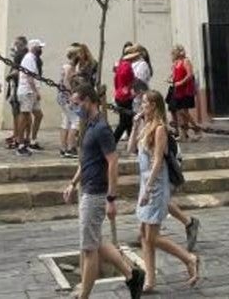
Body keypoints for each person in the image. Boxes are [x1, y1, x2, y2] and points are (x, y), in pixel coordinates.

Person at [62, 83, 145, 299]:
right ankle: (131, 275)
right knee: (96, 241)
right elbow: (86, 161)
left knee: (89, 249)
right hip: (87, 188)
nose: (75, 107)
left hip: (96, 194)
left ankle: (84, 294)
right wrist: (73, 183)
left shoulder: (101, 129)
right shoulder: (89, 126)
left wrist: (111, 198)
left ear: (88, 101)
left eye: (77, 103)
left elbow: (113, 162)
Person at [134, 90, 199, 292]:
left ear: (153, 105)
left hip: (155, 185)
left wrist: (148, 189)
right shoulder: (145, 127)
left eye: (144, 103)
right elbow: (130, 149)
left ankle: (189, 259)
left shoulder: (160, 129)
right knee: (144, 234)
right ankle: (150, 280)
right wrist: (135, 124)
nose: (141, 106)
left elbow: (158, 162)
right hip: (145, 183)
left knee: (152, 237)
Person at [15, 39, 45, 156]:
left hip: (31, 92)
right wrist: (36, 91)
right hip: (27, 91)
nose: (41, 49)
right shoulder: (29, 59)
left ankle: (33, 140)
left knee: (38, 115)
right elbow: (29, 77)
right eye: (39, 47)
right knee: (24, 115)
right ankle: (20, 144)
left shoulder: (33, 58)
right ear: (34, 48)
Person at [168, 45, 200, 142]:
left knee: (183, 111)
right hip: (178, 90)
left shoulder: (185, 61)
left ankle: (195, 128)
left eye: (174, 53)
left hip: (185, 89)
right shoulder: (175, 63)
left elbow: (189, 74)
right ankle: (184, 134)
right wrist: (170, 79)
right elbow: (174, 75)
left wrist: (181, 82)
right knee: (179, 112)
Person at [5, 36, 28, 149]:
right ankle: (17, 135)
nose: (15, 46)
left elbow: (18, 71)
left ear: (22, 44)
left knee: (17, 113)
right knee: (18, 113)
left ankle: (18, 136)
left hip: (17, 87)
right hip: (18, 87)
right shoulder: (23, 55)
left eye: (17, 43)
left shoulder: (20, 55)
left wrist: (8, 76)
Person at [112, 42, 136, 143]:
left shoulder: (120, 64)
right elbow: (131, 81)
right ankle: (113, 141)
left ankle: (132, 142)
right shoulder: (127, 67)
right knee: (124, 122)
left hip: (120, 94)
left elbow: (116, 80)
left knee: (128, 121)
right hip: (126, 96)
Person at [58, 48, 80, 158]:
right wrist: (71, 95)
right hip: (68, 98)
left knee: (65, 122)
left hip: (62, 98)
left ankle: (63, 148)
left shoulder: (65, 66)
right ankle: (71, 148)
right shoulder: (69, 67)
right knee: (75, 121)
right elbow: (66, 81)